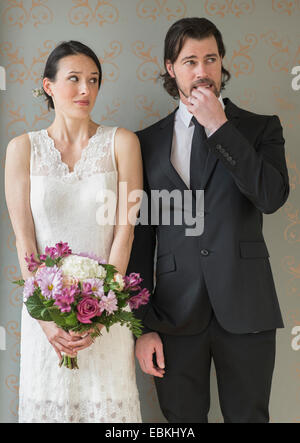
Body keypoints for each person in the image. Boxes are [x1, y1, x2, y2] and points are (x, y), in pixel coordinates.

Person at [127, 18, 290, 423]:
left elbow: (271, 197)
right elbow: (139, 240)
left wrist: (219, 125)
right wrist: (140, 326)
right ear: (171, 68)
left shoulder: (259, 128)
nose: (202, 71)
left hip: (246, 306)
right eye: (190, 61)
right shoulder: (143, 143)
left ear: (222, 63)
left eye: (211, 59)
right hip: (172, 315)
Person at [5, 41, 143, 423]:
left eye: (94, 80)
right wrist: (47, 321)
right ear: (48, 86)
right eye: (74, 79)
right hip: (44, 314)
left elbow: (124, 233)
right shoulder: (22, 149)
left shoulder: (123, 143)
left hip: (107, 314)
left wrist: (100, 311)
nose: (86, 90)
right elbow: (25, 240)